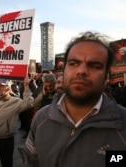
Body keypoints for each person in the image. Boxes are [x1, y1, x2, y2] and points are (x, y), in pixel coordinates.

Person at [23, 31, 126, 166]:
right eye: (73, 63)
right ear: (63, 70)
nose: (81, 71)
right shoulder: (41, 119)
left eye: (94, 65)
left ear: (107, 76)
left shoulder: (123, 126)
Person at [0, 76, 34, 167]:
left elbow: (28, 104)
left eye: (2, 86)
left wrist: (26, 87)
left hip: (6, 140)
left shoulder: (15, 101)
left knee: (6, 162)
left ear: (8, 88)